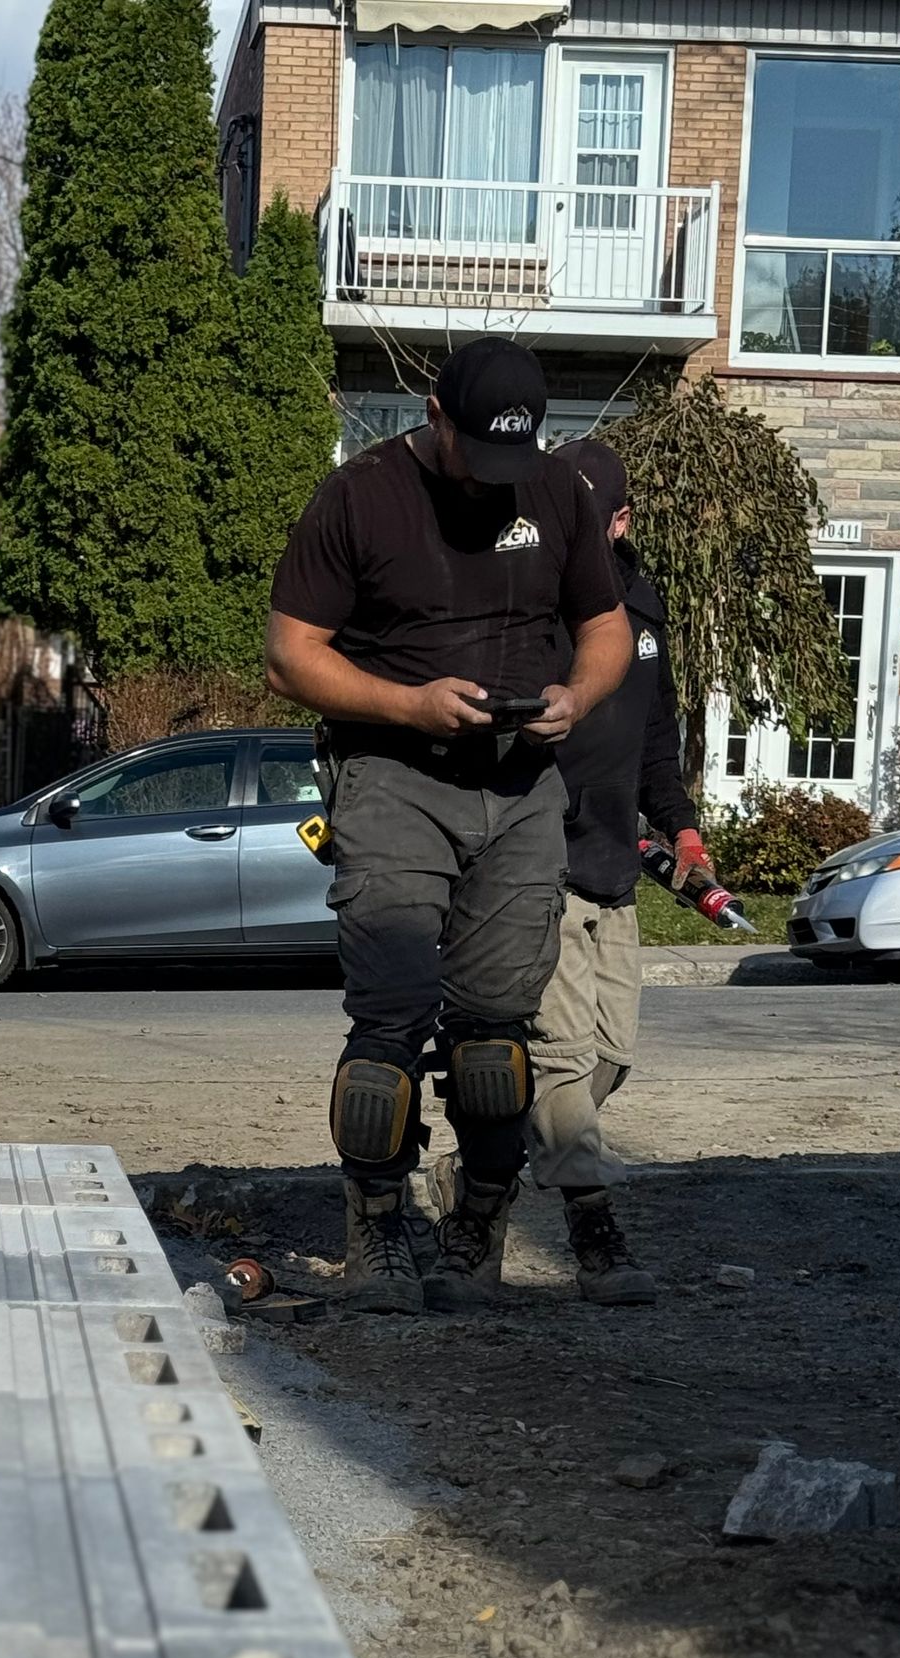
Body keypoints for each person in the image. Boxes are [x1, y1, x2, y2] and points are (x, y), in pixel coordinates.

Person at [266, 345, 632, 1314]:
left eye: (514, 456)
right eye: (477, 453)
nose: (496, 478)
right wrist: (408, 704)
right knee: (390, 1016)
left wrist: (573, 697)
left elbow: (607, 629)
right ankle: (378, 1227)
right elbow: (289, 655)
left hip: (518, 782)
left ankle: (475, 1222)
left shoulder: (554, 492)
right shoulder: (360, 497)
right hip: (391, 770)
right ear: (434, 416)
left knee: (494, 1036)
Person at [533, 439, 703, 1307]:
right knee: (561, 1059)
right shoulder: (534, 609)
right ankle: (594, 1234)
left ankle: (477, 1163)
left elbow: (656, 748)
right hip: (538, 868)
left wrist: (682, 829)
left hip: (614, 869)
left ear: (620, 522)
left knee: (612, 1057)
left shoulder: (643, 610)